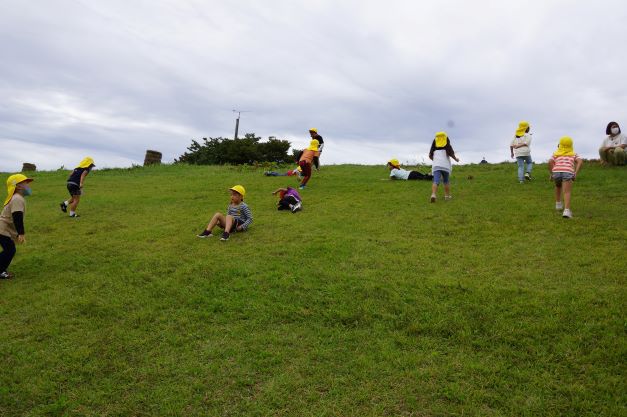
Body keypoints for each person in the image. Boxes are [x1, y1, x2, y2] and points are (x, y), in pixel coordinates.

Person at [0, 174, 34, 279]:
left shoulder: (17, 198)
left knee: (8, 249)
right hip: (2, 229)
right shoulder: (17, 199)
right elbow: (17, 217)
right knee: (10, 250)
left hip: (3, 228)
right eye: (26, 183)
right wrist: (21, 233)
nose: (28, 186)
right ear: (18, 186)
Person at [549, 136, 583, 219]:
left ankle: (558, 204)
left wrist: (551, 173)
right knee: (567, 192)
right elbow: (580, 161)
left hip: (556, 172)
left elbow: (550, 161)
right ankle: (567, 211)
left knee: (558, 186)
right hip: (567, 172)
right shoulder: (573, 154)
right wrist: (575, 173)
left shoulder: (556, 154)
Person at [429, 131, 460, 202]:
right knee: (446, 181)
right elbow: (452, 154)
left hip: (436, 165)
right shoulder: (447, 146)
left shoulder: (434, 148)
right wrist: (456, 159)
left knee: (436, 181)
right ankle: (447, 196)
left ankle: (433, 194)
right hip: (445, 166)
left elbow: (430, 156)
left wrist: (436, 160)